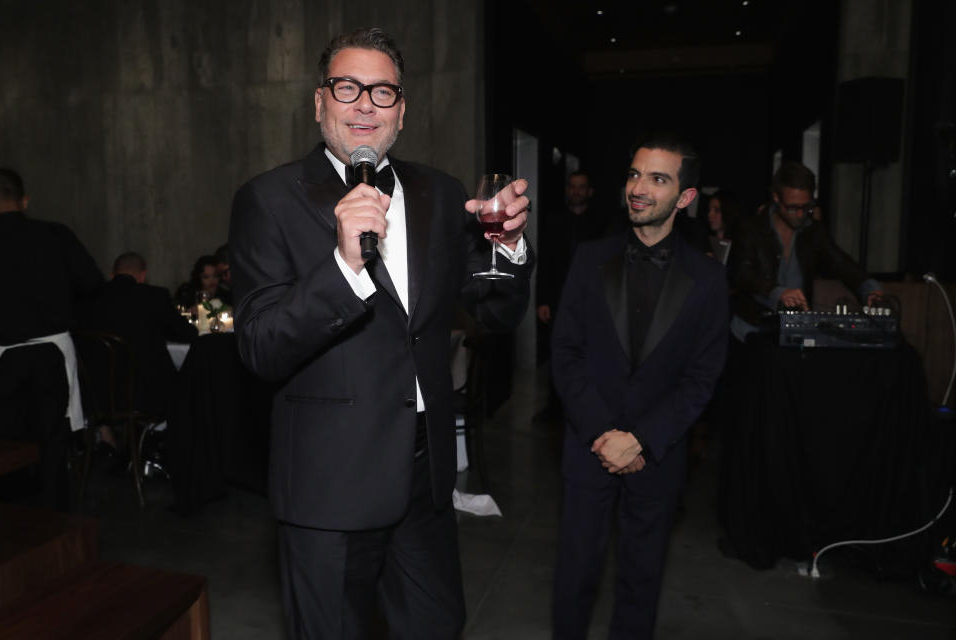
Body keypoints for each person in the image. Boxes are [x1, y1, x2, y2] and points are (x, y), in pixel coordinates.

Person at [228, 27, 532, 639]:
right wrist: (343, 268)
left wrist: (510, 246)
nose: (365, 103)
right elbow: (261, 346)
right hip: (328, 487)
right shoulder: (268, 199)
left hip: (423, 475)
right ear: (320, 103)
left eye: (383, 91)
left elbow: (495, 314)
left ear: (402, 110)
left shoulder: (440, 193)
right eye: (348, 87)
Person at [550, 134, 728, 639]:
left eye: (657, 178)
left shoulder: (708, 281)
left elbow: (702, 378)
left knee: (641, 580)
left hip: (659, 453)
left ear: (686, 197)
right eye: (633, 174)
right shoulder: (589, 259)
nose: (638, 188)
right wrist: (603, 432)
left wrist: (642, 439)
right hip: (588, 446)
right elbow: (564, 354)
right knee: (575, 574)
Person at [0, 167, 103, 509]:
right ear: (24, 200)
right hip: (52, 350)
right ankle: (56, 522)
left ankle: (12, 520)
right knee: (54, 442)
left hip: (1, 355)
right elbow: (92, 282)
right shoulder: (54, 235)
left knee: (6, 443)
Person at [729, 161, 882, 342]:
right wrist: (777, 292)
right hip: (751, 329)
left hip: (794, 331)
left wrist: (870, 289)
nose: (800, 214)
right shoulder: (751, 228)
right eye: (793, 208)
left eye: (806, 207)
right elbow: (741, 274)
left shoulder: (813, 231)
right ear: (776, 198)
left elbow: (841, 263)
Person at [77, 251, 197, 418]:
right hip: (146, 393)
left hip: (96, 393)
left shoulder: (88, 299)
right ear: (143, 275)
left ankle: (106, 434)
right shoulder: (154, 296)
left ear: (112, 274)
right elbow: (187, 334)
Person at [534, 171, 602, 422]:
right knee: (557, 355)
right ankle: (554, 408)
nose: (576, 191)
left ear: (589, 191)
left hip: (591, 303)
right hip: (557, 300)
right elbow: (545, 263)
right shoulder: (555, 221)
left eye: (581, 187)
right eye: (572, 187)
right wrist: (542, 300)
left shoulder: (600, 224)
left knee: (587, 356)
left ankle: (583, 407)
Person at [704, 190, 740, 264]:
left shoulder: (739, 243)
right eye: (709, 210)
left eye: (716, 210)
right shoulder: (704, 239)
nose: (710, 214)